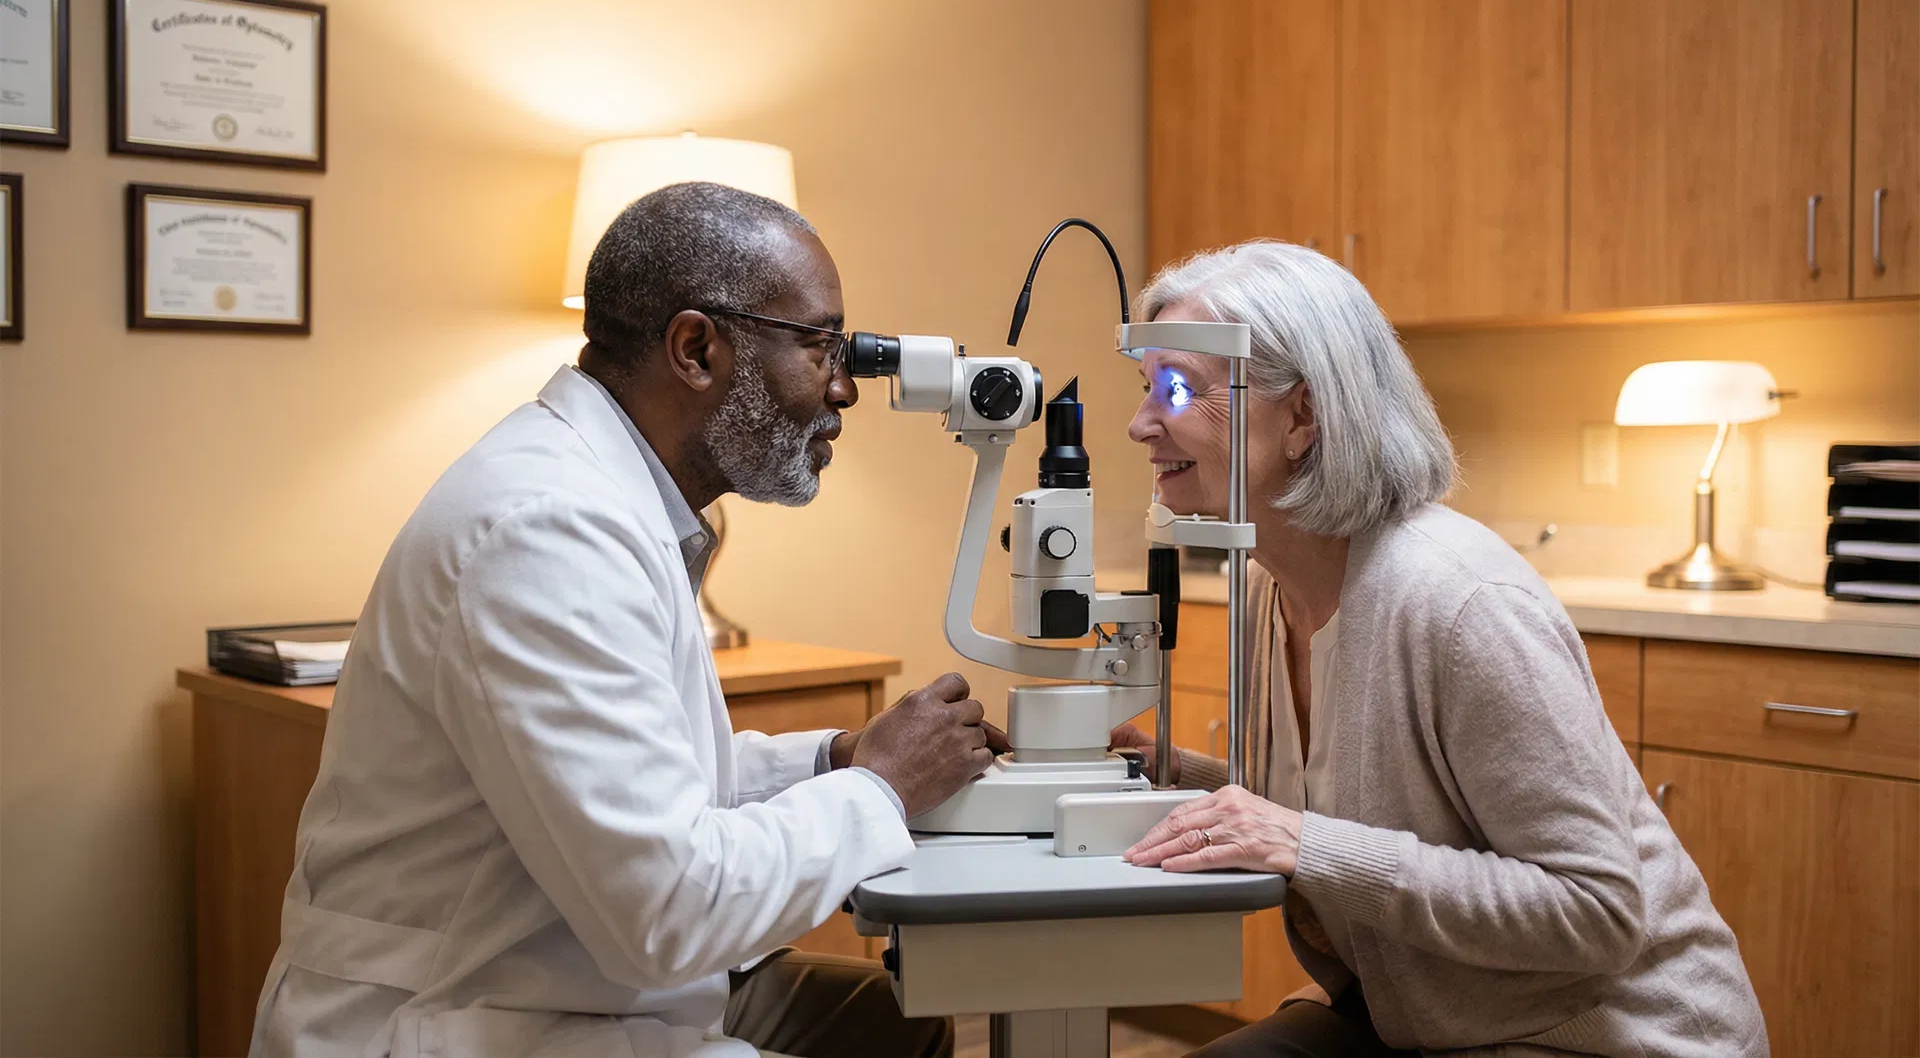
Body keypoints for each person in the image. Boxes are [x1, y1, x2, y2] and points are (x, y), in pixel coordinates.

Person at [251, 182, 994, 1058]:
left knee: (891, 1023)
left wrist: (835, 759)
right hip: (466, 1014)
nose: (844, 388)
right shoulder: (548, 530)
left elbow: (647, 782)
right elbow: (667, 907)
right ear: (695, 348)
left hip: (562, 980)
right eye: (820, 345)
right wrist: (882, 789)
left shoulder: (612, 498)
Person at [1112, 241, 1767, 1057]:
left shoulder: (1459, 601)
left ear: (1303, 416)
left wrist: (1302, 845)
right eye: (1147, 389)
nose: (1142, 423)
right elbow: (1342, 802)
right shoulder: (1268, 581)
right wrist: (1177, 774)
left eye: (1178, 388)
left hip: (1598, 1037)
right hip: (1427, 1018)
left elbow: (1596, 910)